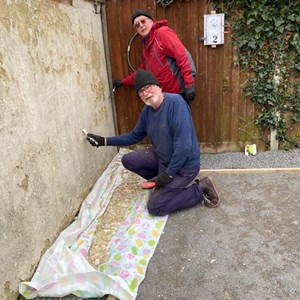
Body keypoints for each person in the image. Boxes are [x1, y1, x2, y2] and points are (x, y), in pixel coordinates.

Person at [87, 69, 220, 216]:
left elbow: (184, 147)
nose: (145, 93)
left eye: (147, 87)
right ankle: (163, 184)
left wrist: (168, 175)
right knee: (128, 160)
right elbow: (134, 136)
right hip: (162, 159)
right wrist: (104, 141)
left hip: (184, 167)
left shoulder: (176, 104)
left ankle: (201, 188)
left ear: (158, 86)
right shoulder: (147, 111)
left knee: (156, 207)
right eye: (140, 92)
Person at [113, 9, 196, 107]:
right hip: (162, 97)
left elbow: (182, 57)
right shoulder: (147, 48)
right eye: (137, 25)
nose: (141, 26)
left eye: (143, 21)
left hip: (178, 95)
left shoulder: (162, 33)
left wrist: (189, 85)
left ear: (151, 21)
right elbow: (143, 73)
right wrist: (123, 82)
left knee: (180, 122)